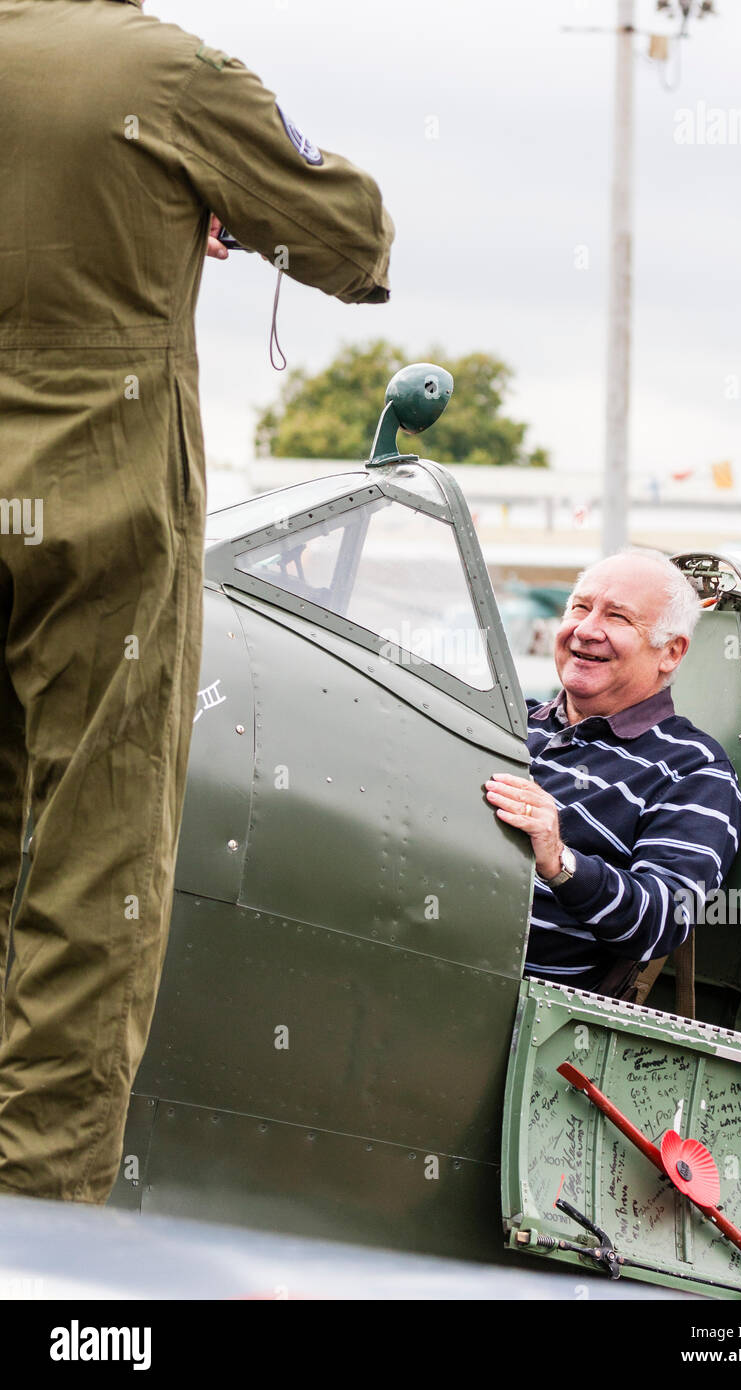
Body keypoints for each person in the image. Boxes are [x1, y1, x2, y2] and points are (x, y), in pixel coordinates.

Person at [0, 0, 393, 1204]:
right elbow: (350, 235)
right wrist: (201, 187)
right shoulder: (167, 72)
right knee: (87, 866)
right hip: (94, 503)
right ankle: (32, 1235)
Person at [485, 550, 741, 998]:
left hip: (507, 999)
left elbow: (664, 919)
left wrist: (560, 861)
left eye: (617, 617)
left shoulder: (695, 769)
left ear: (671, 652)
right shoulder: (505, 722)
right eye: (580, 608)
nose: (585, 630)